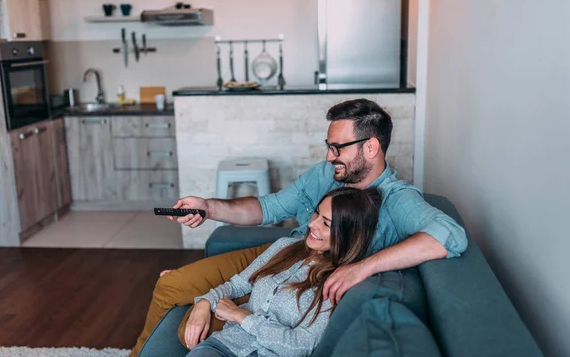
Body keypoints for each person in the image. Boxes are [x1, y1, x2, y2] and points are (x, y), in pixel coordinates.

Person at [131, 99, 468, 356]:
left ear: (371, 147)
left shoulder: (397, 199)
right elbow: (269, 207)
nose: (328, 156)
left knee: (193, 324)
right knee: (172, 286)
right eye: (328, 145)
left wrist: (362, 268)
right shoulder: (327, 174)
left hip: (307, 282)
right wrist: (208, 207)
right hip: (283, 254)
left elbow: (450, 235)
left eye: (338, 148)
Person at [185, 187, 381, 357]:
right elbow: (238, 284)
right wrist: (204, 302)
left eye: (326, 223)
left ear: (348, 235)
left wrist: (239, 315)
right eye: (316, 213)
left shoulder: (338, 281)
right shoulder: (285, 246)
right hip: (225, 345)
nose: (312, 224)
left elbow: (301, 345)